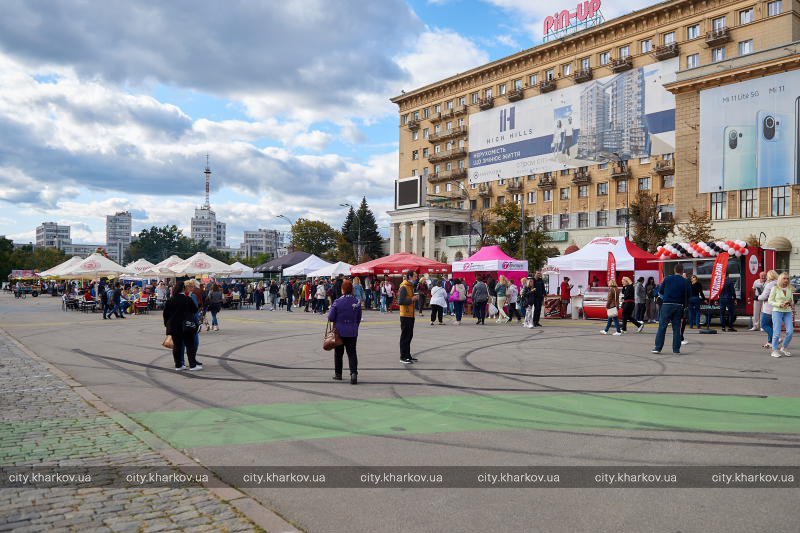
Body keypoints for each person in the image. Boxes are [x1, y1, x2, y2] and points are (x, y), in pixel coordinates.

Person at [652, 263, 691, 354]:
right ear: (682, 271)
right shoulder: (685, 281)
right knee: (677, 328)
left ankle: (658, 348)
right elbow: (689, 295)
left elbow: (660, 292)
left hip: (667, 305)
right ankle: (676, 349)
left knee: (662, 327)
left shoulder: (667, 279)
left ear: (674, 270)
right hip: (679, 306)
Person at [328, 279, 362, 383]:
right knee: (352, 353)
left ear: (342, 289)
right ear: (351, 289)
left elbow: (331, 317)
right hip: (352, 331)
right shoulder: (356, 302)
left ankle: (338, 374)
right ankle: (354, 373)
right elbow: (359, 318)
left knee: (338, 353)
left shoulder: (337, 302)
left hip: (339, 331)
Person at [163, 281, 201, 371]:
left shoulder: (170, 300)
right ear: (184, 289)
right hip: (187, 326)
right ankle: (192, 365)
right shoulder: (187, 299)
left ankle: (178, 365)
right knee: (190, 345)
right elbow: (195, 310)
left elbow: (165, 314)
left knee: (177, 346)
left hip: (174, 327)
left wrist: (167, 325)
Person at [767, 272, 794, 358]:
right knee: (777, 332)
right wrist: (779, 304)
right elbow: (770, 301)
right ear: (780, 279)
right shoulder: (775, 288)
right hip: (777, 311)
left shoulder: (789, 289)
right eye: (784, 278)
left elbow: (792, 301)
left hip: (788, 311)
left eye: (787, 279)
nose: (786, 280)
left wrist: (790, 303)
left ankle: (784, 347)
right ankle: (774, 350)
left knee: (790, 331)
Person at [397, 271, 418, 364]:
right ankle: (403, 356)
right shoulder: (403, 286)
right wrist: (412, 299)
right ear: (409, 277)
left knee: (409, 336)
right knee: (405, 336)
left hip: (411, 314)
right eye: (415, 276)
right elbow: (400, 301)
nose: (416, 278)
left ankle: (407, 355)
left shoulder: (410, 286)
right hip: (405, 315)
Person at [758, 270, 779, 350]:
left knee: (764, 324)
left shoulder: (769, 285)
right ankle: (770, 342)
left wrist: (758, 297)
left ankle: (777, 338)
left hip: (769, 308)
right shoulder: (779, 283)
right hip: (777, 308)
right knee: (771, 325)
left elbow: (763, 297)